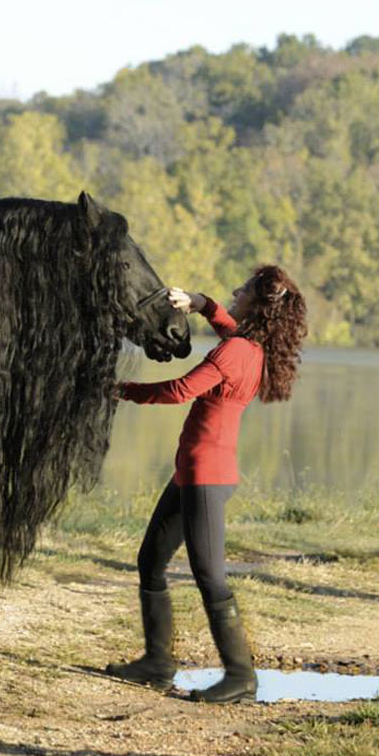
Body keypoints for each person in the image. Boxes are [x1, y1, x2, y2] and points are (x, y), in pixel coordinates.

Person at [106, 265, 307, 703]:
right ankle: (157, 663)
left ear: (258, 304)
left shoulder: (235, 352)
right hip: (192, 473)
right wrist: (195, 301)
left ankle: (241, 676)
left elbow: (180, 390)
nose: (235, 292)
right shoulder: (249, 345)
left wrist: (119, 389)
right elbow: (224, 320)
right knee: (150, 561)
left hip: (206, 477)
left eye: (244, 290)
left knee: (210, 577)